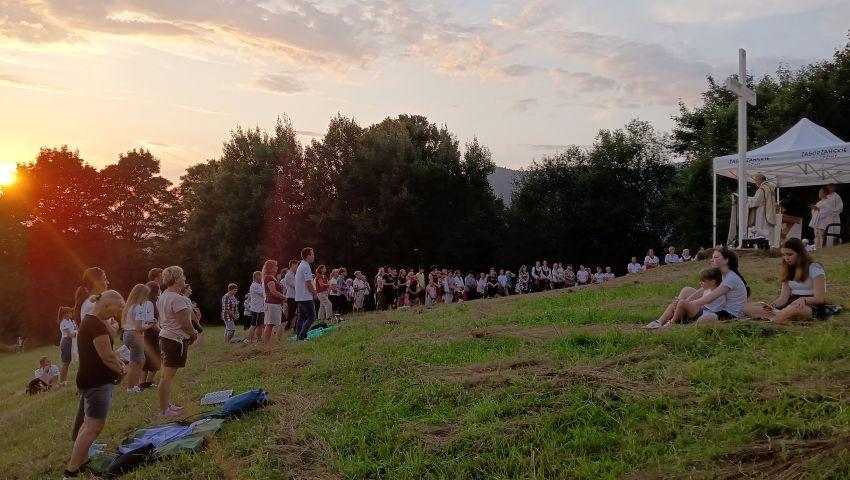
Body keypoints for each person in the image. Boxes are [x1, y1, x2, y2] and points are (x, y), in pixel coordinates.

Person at [64, 290, 127, 479]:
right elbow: (107, 356)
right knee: (93, 427)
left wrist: (117, 363)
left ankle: (83, 461)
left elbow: (107, 353)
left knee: (87, 424)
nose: (115, 314)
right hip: (96, 382)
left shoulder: (90, 321)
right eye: (116, 309)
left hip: (90, 379)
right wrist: (121, 370)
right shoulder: (95, 325)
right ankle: (71, 471)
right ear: (107, 304)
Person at [742, 237, 827, 321]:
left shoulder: (815, 268)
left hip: (808, 305)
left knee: (794, 309)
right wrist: (771, 306)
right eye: (783, 255)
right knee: (746, 307)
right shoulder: (788, 269)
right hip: (790, 303)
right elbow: (783, 298)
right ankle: (780, 316)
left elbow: (819, 299)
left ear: (800, 253)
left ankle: (775, 318)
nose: (786, 258)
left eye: (790, 254)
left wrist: (804, 299)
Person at [157, 266, 198, 419]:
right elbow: (185, 324)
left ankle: (167, 406)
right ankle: (164, 411)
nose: (184, 278)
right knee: (166, 377)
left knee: (167, 376)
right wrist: (193, 335)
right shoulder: (177, 299)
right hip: (174, 340)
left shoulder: (164, 296)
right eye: (182, 276)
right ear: (176, 279)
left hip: (167, 337)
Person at [649, 268, 725, 329]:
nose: (700, 283)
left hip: (704, 315)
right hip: (700, 311)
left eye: (703, 281)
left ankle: (672, 322)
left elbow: (705, 307)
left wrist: (686, 304)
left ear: (713, 282)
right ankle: (661, 321)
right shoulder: (708, 289)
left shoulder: (717, 294)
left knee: (682, 303)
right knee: (680, 301)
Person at [122, 283, 151, 393]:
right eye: (146, 295)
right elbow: (139, 328)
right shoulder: (138, 308)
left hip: (127, 333)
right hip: (136, 336)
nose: (146, 298)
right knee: (137, 362)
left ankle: (134, 385)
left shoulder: (129, 307)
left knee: (136, 361)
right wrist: (149, 326)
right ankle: (131, 387)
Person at [140, 281, 161, 389]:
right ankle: (148, 382)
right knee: (155, 357)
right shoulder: (149, 303)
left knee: (147, 358)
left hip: (147, 333)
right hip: (150, 333)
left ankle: (143, 383)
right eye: (159, 288)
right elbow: (150, 321)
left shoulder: (146, 302)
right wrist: (160, 331)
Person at [295, 247, 317, 341]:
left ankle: (298, 337)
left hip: (300, 296)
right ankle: (302, 337)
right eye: (312, 254)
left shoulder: (301, 265)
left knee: (301, 317)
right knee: (312, 317)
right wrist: (314, 292)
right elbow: (308, 283)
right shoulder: (305, 266)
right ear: (308, 256)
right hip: (305, 296)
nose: (314, 256)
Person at [747, 173, 778, 239]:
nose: (755, 182)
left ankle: (762, 243)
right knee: (768, 232)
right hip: (769, 213)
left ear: (760, 180)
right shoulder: (770, 187)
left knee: (762, 230)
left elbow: (757, 201)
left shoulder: (762, 188)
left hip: (763, 213)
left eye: (756, 180)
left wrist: (747, 199)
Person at [261, 260, 285, 343]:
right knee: (270, 324)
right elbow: (273, 291)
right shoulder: (269, 278)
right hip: (272, 303)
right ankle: (266, 343)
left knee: (271, 324)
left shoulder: (273, 277)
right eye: (275, 266)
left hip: (275, 303)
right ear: (270, 267)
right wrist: (284, 297)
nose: (277, 267)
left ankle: (268, 341)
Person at [58, 307, 76, 386]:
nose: (71, 314)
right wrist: (77, 333)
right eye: (70, 312)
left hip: (71, 342)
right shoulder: (64, 323)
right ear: (65, 314)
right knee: (65, 362)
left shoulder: (70, 321)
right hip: (66, 342)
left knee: (68, 362)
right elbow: (69, 335)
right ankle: (62, 381)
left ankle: (64, 380)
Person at [282, 259, 298, 330]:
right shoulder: (288, 275)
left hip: (295, 296)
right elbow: (295, 285)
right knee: (291, 314)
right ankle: (287, 327)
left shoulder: (295, 274)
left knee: (295, 313)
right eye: (296, 266)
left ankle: (294, 327)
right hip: (291, 297)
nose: (297, 267)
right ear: (292, 265)